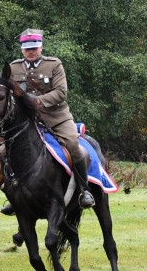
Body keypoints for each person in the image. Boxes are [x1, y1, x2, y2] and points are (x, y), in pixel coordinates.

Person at [6, 29, 94, 209]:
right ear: (22, 49)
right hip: (27, 120)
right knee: (4, 151)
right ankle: (13, 195)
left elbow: (61, 92)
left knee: (73, 145)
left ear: (41, 47)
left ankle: (84, 191)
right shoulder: (14, 68)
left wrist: (36, 101)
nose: (31, 51)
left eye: (34, 48)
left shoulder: (54, 64)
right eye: (27, 48)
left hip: (56, 117)